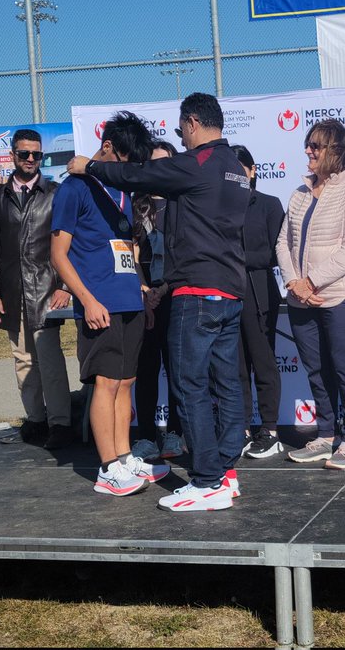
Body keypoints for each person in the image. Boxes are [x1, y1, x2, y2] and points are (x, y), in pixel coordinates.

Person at [69, 93, 249, 512]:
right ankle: (226, 472)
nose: (181, 137)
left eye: (181, 128)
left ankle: (206, 480)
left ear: (191, 122)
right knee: (226, 384)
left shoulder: (199, 162)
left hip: (197, 290)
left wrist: (89, 166)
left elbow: (142, 175)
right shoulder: (236, 170)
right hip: (230, 290)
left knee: (190, 386)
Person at [51, 112, 168, 497]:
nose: (127, 169)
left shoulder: (122, 192)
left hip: (128, 300)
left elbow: (126, 251)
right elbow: (59, 254)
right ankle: (107, 469)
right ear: (106, 148)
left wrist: (141, 291)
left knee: (126, 382)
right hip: (98, 303)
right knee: (105, 382)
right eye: (124, 160)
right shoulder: (75, 187)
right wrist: (87, 299)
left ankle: (122, 455)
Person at [277, 118, 345, 470]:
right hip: (301, 297)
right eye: (308, 145)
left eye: (315, 146)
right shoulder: (299, 193)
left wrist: (312, 281)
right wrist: (294, 283)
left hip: (343, 295)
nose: (308, 151)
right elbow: (282, 243)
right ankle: (325, 435)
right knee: (316, 370)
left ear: (334, 151)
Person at [0, 129, 74, 451]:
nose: (32, 160)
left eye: (37, 155)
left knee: (49, 360)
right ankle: (35, 419)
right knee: (22, 360)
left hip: (47, 290)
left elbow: (69, 244)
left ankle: (61, 424)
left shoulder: (56, 193)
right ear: (13, 155)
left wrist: (64, 286)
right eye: (25, 154)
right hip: (11, 293)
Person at [130, 140, 187, 462]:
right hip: (144, 300)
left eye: (166, 163)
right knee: (147, 368)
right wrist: (143, 289)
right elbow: (131, 252)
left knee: (179, 369)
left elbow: (187, 253)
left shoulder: (183, 204)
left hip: (176, 296)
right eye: (154, 163)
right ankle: (146, 437)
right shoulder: (136, 205)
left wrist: (163, 290)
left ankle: (177, 433)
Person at [231, 144, 287, 459]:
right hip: (228, 295)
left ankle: (269, 429)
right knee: (235, 366)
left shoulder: (269, 204)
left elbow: (276, 253)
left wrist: (238, 259)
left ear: (253, 171)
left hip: (260, 292)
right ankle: (240, 427)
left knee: (263, 362)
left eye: (242, 170)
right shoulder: (221, 205)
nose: (237, 177)